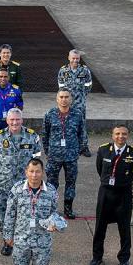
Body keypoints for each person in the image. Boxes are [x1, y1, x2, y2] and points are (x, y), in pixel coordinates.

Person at [3, 158, 63, 265]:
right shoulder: (17, 189)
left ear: (42, 173)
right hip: (21, 239)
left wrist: (55, 224)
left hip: (43, 240)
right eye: (31, 171)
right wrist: (7, 236)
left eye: (37, 171)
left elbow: (54, 212)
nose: (34, 175)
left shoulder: (51, 191)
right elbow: (9, 214)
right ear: (26, 172)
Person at [0, 108, 42, 256]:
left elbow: (37, 159)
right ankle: (7, 242)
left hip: (25, 185)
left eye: (17, 119)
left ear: (22, 120)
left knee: (25, 214)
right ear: (7, 121)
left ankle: (24, 242)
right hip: (2, 185)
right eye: (12, 120)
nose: (15, 122)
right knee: (3, 214)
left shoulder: (32, 136)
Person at [90, 125, 133, 265]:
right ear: (112, 135)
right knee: (100, 227)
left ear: (128, 136)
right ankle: (97, 257)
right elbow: (100, 169)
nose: (121, 136)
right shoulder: (103, 149)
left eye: (124, 134)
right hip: (106, 193)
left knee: (124, 228)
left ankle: (124, 260)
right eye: (117, 134)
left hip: (123, 193)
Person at [40, 89, 88, 219]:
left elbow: (82, 134)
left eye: (66, 97)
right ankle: (52, 208)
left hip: (71, 156)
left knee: (71, 182)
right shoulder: (50, 114)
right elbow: (45, 135)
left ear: (70, 99)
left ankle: (68, 208)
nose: (64, 99)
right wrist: (48, 152)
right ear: (57, 99)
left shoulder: (77, 114)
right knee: (51, 183)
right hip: (54, 156)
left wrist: (78, 151)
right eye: (61, 97)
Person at [57, 49, 92, 156]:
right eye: (73, 58)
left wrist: (81, 96)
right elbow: (61, 87)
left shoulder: (85, 70)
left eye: (77, 58)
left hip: (80, 103)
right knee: (65, 124)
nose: (75, 60)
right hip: (66, 104)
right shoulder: (63, 71)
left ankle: (83, 146)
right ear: (69, 58)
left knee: (81, 124)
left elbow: (89, 85)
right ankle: (67, 146)